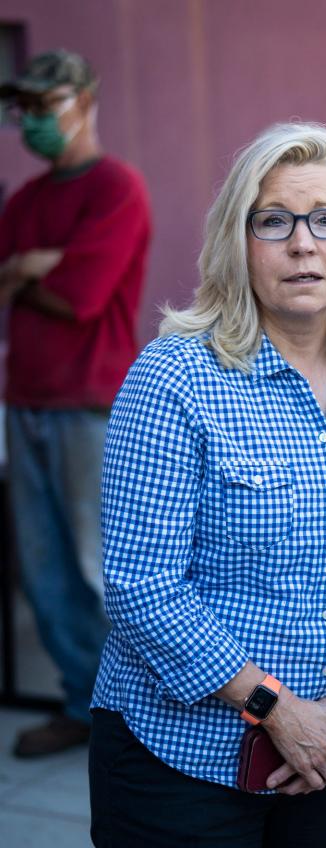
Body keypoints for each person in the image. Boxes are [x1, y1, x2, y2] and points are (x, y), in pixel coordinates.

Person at [87, 121, 326, 848]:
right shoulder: (175, 379)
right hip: (183, 765)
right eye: (273, 220)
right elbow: (143, 586)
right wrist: (279, 711)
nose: (303, 244)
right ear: (237, 241)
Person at [0, 50, 151, 757]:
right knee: (44, 567)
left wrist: (31, 273)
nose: (31, 120)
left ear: (84, 101)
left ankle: (136, 718)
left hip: (92, 405)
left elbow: (82, 296)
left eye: (44, 104)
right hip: (24, 399)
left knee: (101, 568)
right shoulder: (25, 201)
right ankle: (81, 704)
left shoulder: (118, 188)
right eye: (22, 107)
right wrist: (34, 268)